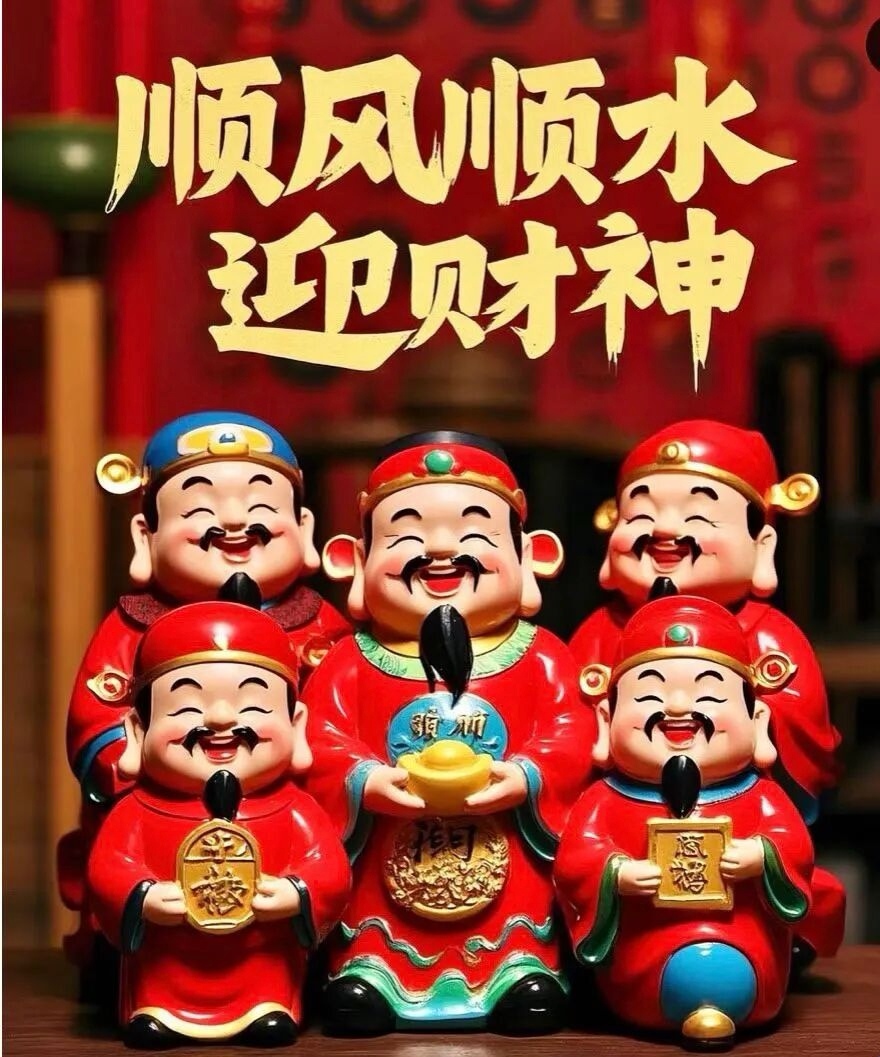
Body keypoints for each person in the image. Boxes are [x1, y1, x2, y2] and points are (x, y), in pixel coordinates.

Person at [304, 431, 594, 1034]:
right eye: (406, 534)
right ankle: (372, 973)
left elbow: (571, 730)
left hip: (507, 853)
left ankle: (517, 971)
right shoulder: (350, 660)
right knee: (375, 942)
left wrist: (526, 775)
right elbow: (318, 737)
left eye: (474, 533)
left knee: (515, 937)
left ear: (528, 556)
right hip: (385, 855)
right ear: (358, 561)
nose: (440, 549)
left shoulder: (541, 655)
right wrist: (364, 780)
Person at [61, 411, 349, 991]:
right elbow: (97, 723)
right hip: (162, 823)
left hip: (288, 824)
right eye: (199, 508)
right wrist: (155, 763)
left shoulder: (321, 630)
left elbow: (342, 726)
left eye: (261, 503)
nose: (235, 520)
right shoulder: (130, 630)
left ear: (304, 527)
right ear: (145, 536)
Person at [556, 595, 840, 1047]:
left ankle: (718, 997)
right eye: (648, 695)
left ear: (757, 720)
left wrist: (761, 855)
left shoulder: (760, 797)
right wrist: (617, 872)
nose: (677, 708)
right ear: (606, 720)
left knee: (727, 972)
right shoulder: (604, 799)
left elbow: (793, 845)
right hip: (640, 940)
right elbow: (576, 858)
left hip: (742, 931)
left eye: (709, 695)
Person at [87, 600, 351, 1048]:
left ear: (296, 724)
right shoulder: (136, 810)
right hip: (167, 959)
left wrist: (297, 892)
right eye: (187, 706)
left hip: (261, 956)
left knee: (267, 1001)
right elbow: (108, 869)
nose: (222, 719)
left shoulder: (296, 809)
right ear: (138, 730)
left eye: (253, 705)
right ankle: (157, 1012)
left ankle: (267, 1009)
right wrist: (143, 896)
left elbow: (328, 867)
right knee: (157, 1002)